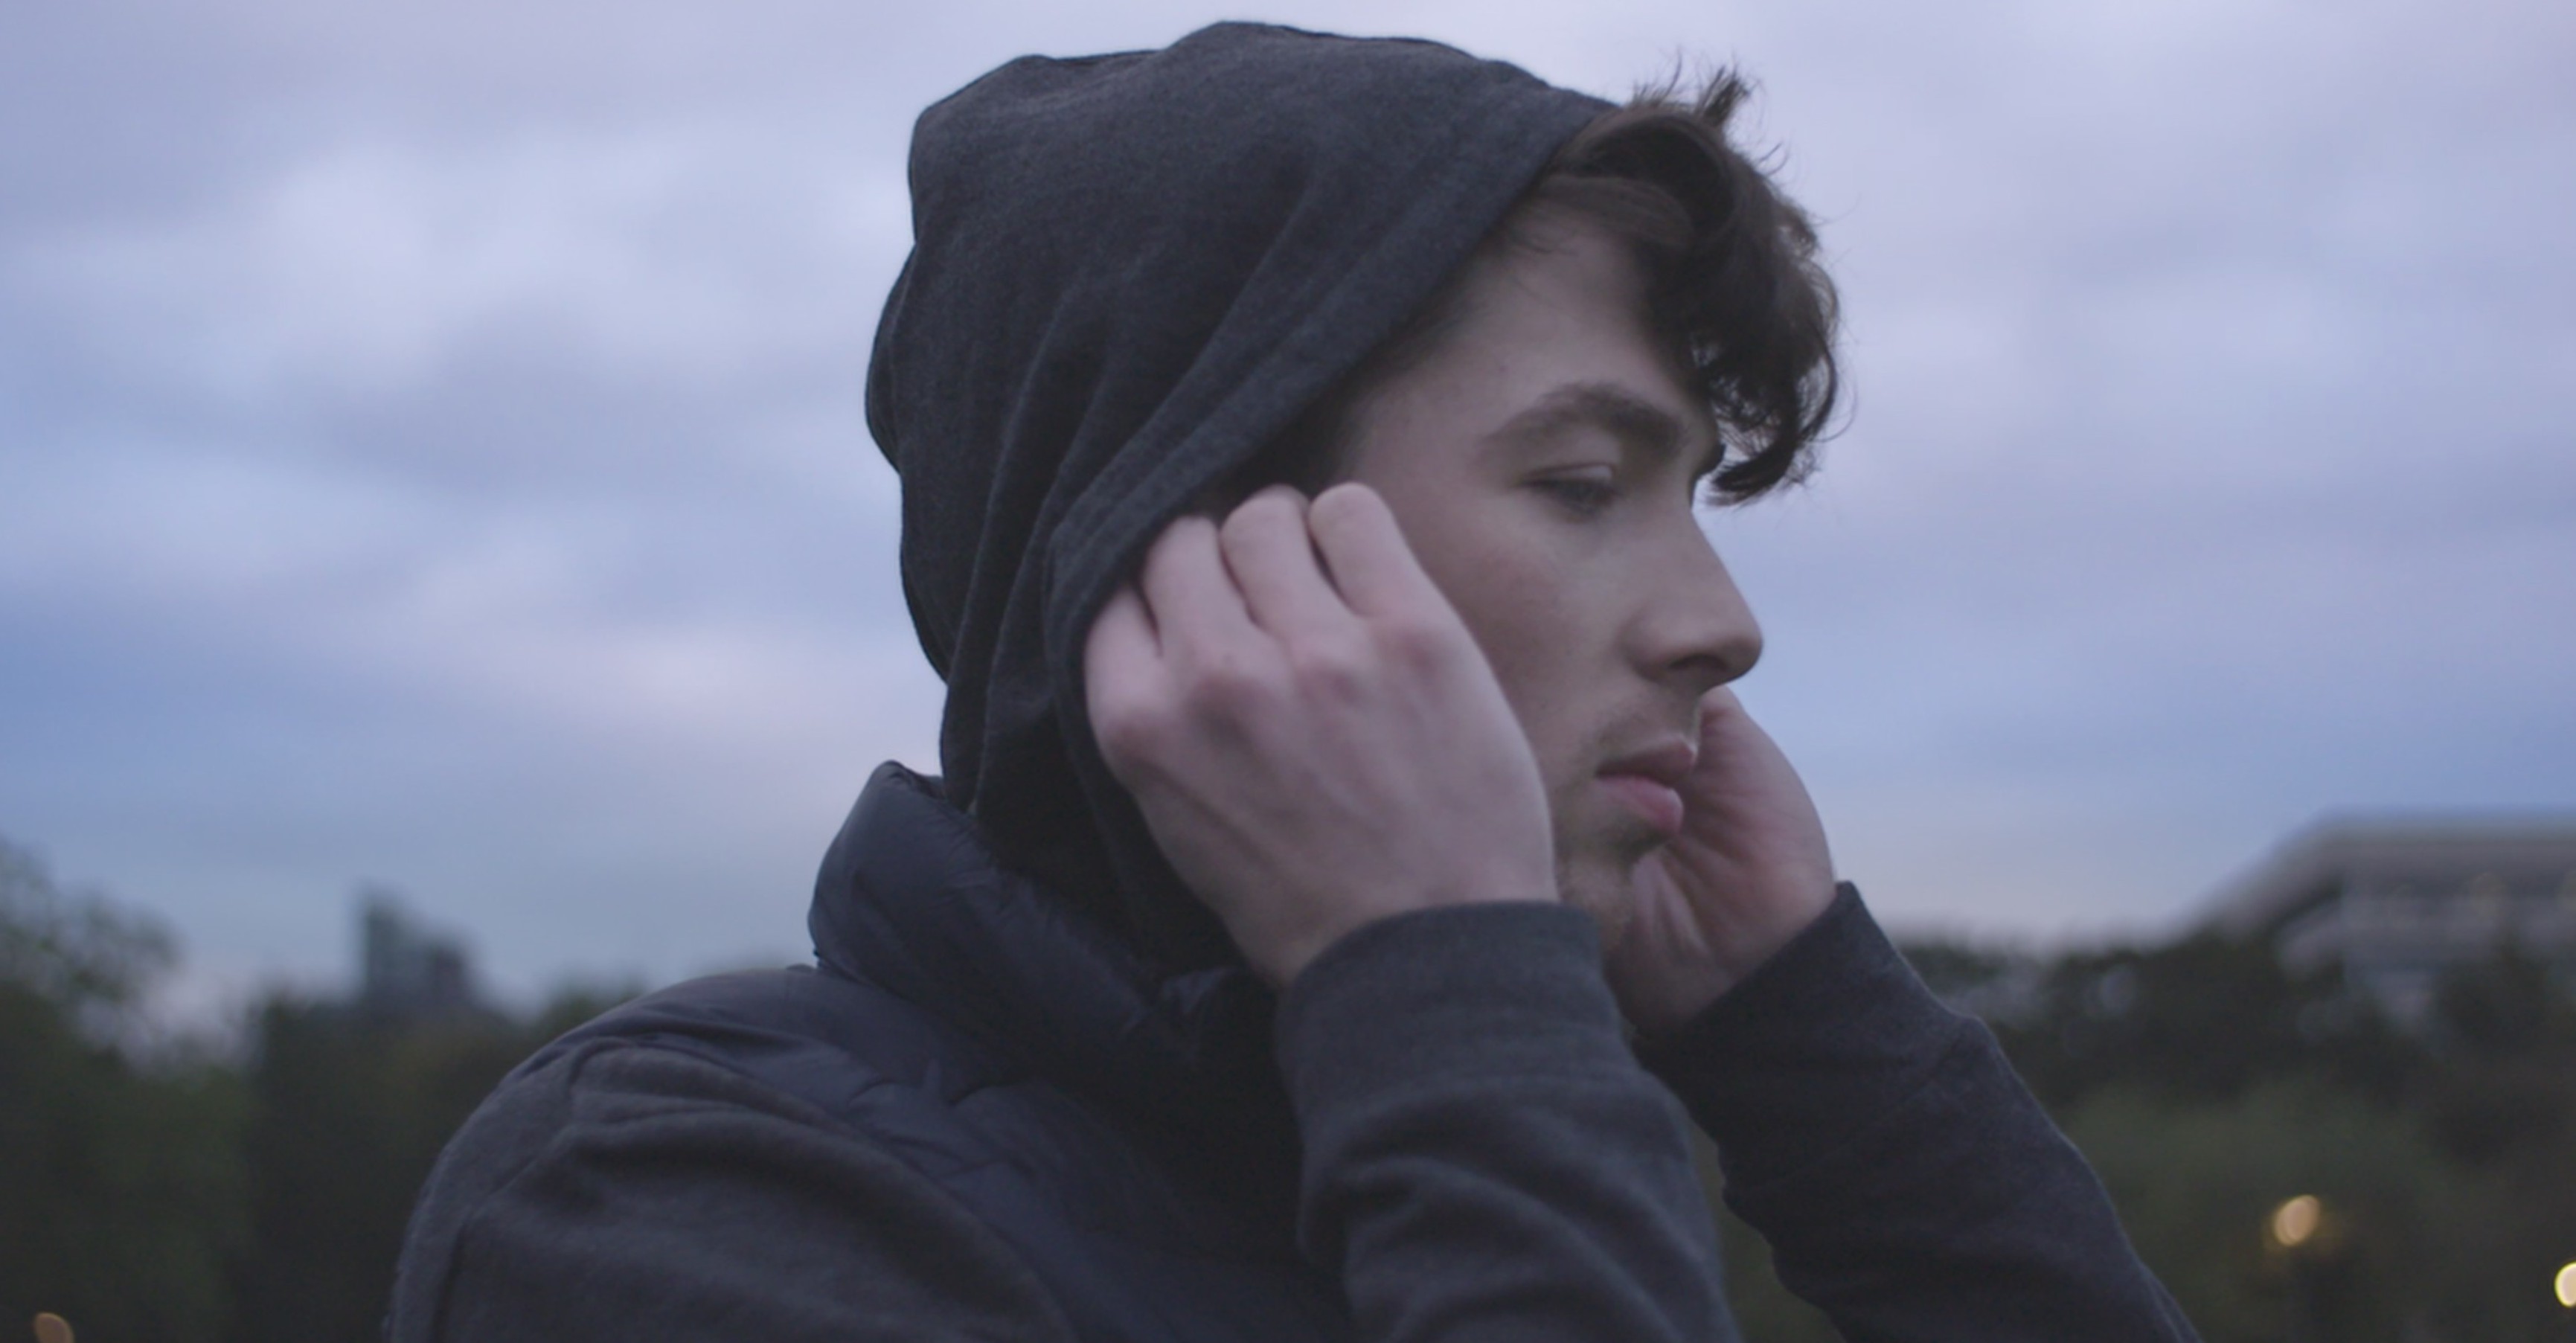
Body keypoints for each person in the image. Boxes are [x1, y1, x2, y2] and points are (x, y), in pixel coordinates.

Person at [389, 22, 2199, 1342]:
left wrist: (1827, 1067)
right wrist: (1452, 998)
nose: (1725, 625)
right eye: (1583, 484)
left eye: (1692, 502)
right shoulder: (665, 1206)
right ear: (1194, 542)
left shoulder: (1426, 1141)